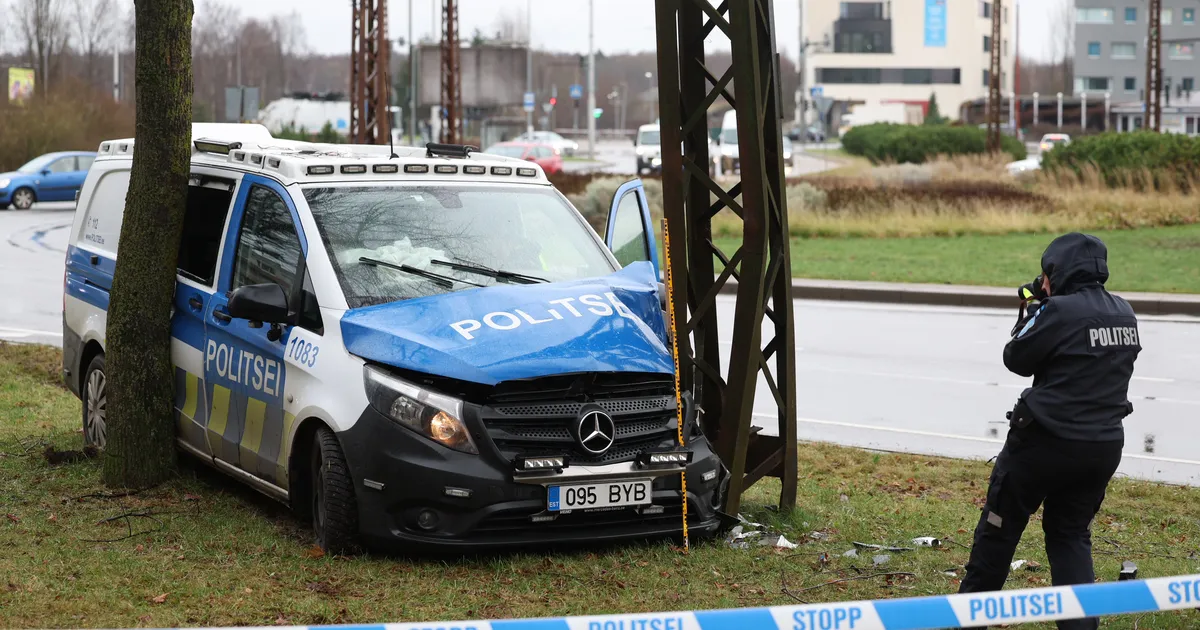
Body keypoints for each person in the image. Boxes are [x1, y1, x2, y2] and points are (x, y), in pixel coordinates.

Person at [960, 233, 1141, 630]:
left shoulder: (1057, 310)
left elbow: (1016, 358)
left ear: (1057, 273)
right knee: (1070, 536)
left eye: (1046, 274)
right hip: (1102, 446)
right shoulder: (1124, 312)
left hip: (1043, 443)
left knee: (998, 531)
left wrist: (1034, 310)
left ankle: (968, 622)